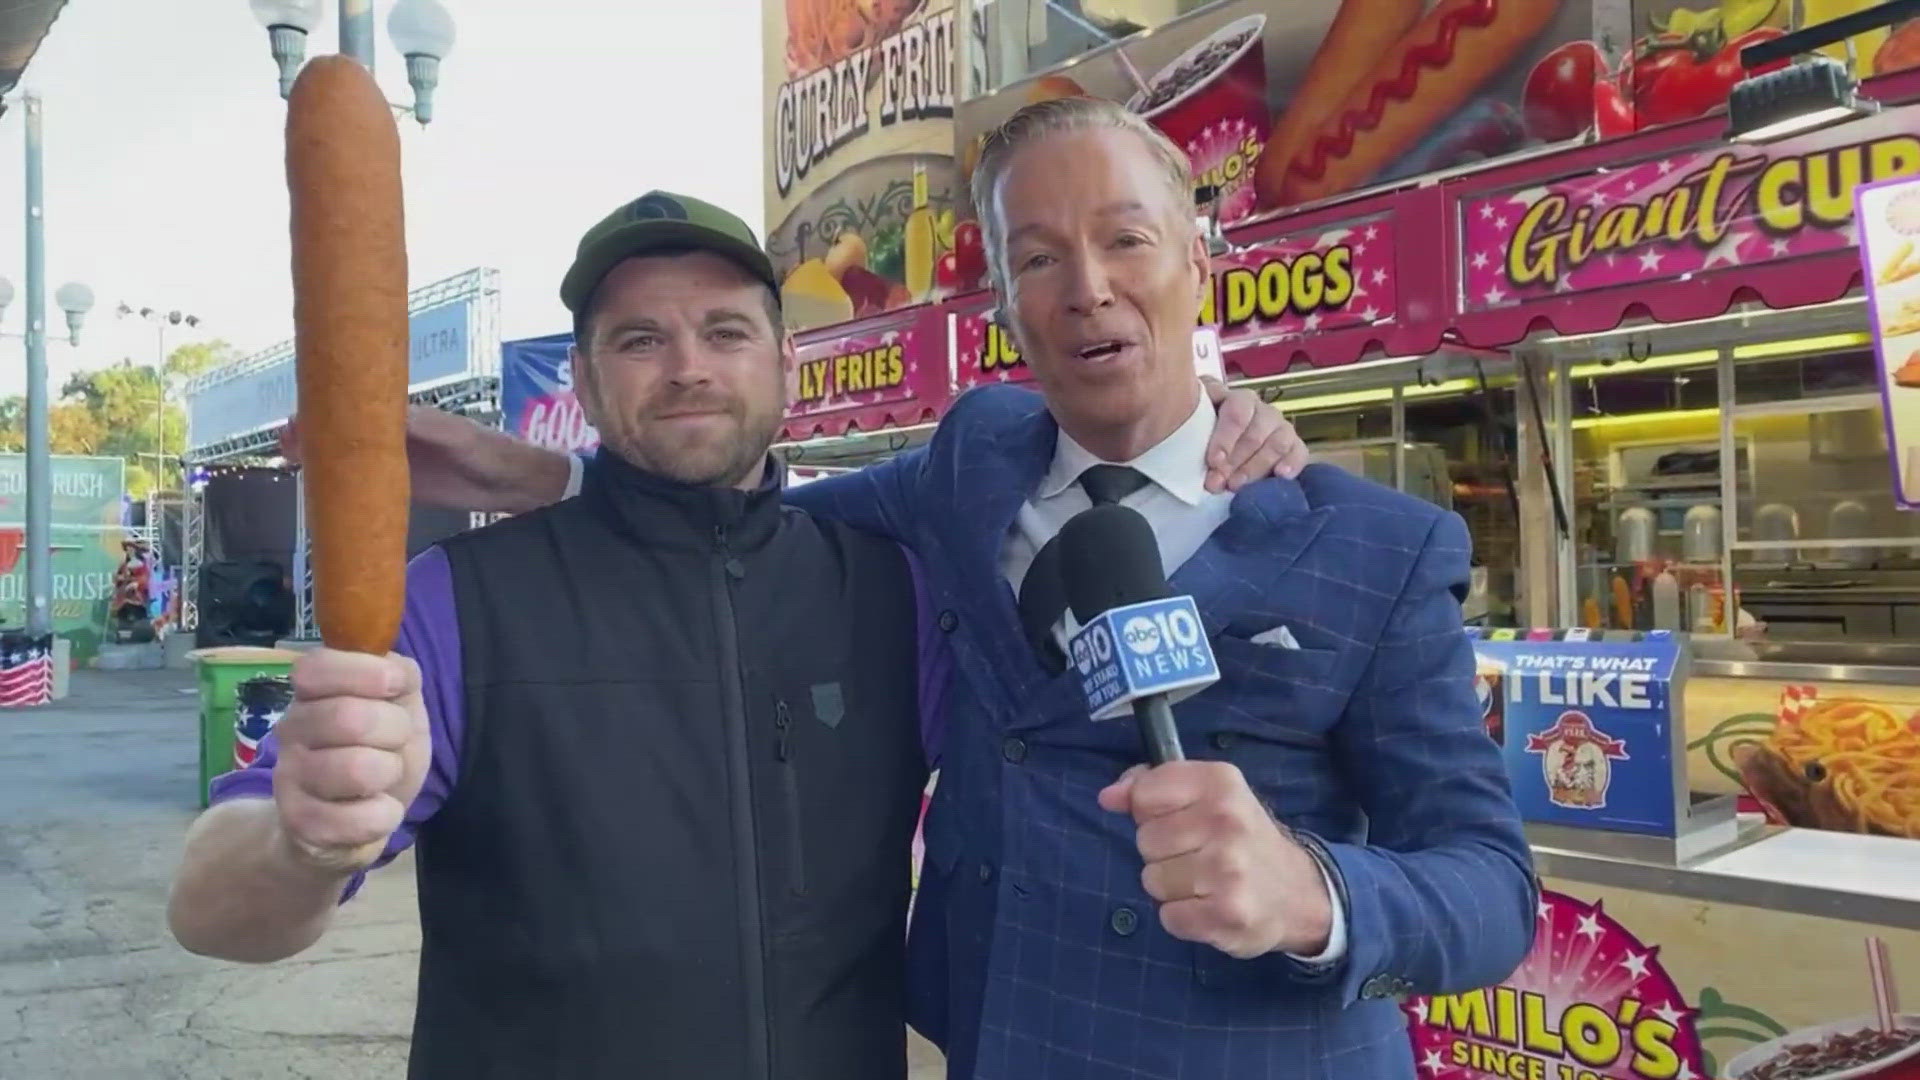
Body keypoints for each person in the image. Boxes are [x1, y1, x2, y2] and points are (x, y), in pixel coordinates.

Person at [410, 98, 1536, 1080]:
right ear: (1001, 302)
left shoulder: (1380, 550)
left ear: (1201, 261)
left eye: (1126, 241)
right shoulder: (969, 462)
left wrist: (1311, 894)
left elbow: (1492, 889)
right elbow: (749, 522)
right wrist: (559, 475)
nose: (1088, 290)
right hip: (999, 1051)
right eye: (1039, 258)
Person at [172, 190, 1306, 1079]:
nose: (688, 368)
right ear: (582, 376)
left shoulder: (895, 589)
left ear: (787, 364)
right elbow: (216, 908)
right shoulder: (459, 601)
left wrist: (1217, 432)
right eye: (638, 341)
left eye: (725, 330)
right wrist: (306, 846)